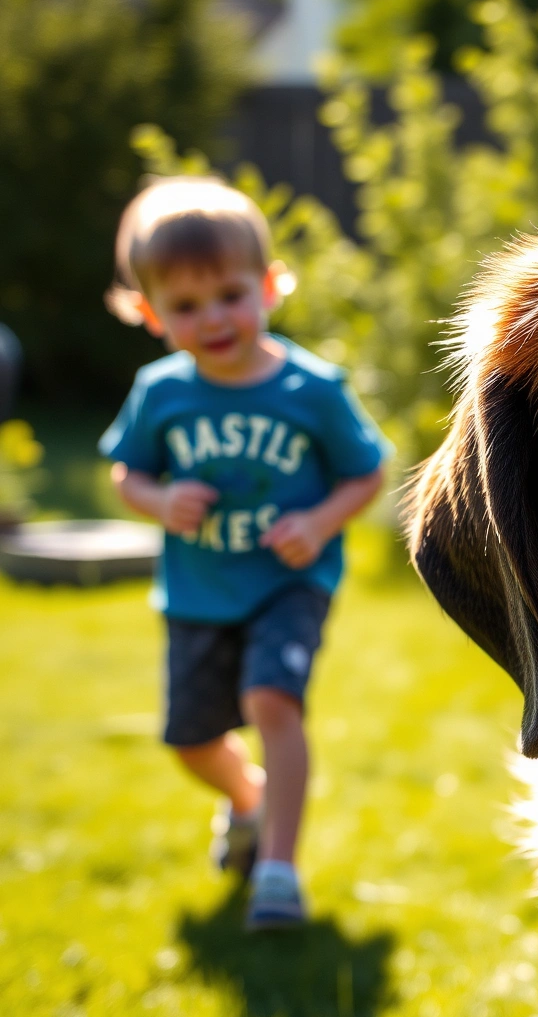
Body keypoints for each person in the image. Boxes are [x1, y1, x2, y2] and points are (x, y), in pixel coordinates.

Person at [99, 177, 391, 929]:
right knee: (193, 740)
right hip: (198, 590)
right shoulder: (160, 393)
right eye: (186, 306)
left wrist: (322, 522)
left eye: (230, 294)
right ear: (149, 314)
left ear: (267, 286)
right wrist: (160, 502)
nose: (214, 318)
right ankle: (247, 799)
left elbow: (368, 472)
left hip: (287, 583)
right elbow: (125, 473)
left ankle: (278, 873)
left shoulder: (311, 388)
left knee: (271, 702)